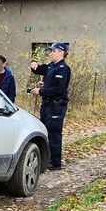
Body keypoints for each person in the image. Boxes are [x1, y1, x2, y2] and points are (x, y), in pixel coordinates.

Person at [30, 42, 72, 170]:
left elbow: (59, 90)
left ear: (61, 52)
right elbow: (41, 70)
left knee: (53, 133)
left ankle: (55, 162)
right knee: (45, 131)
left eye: (53, 51)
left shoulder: (63, 68)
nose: (50, 53)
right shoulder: (52, 66)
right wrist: (34, 66)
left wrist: (41, 91)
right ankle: (47, 159)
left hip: (56, 106)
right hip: (47, 104)